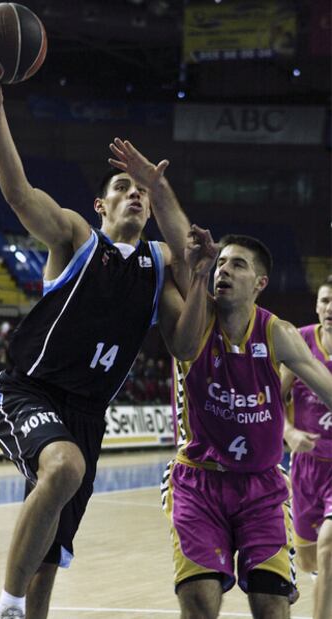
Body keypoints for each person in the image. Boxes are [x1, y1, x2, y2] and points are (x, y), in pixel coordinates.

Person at [0, 40, 191, 619]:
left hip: (88, 415)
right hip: (28, 391)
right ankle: (5, 608)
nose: (133, 194)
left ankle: (26, 606)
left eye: (140, 191)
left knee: (50, 561)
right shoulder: (76, 239)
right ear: (99, 205)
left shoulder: (158, 264)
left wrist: (160, 188)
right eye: (122, 188)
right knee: (62, 467)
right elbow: (17, 193)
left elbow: (186, 318)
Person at [159, 226, 332, 619]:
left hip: (261, 488)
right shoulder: (196, 322)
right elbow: (178, 240)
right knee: (200, 602)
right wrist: (156, 189)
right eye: (221, 263)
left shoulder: (279, 334)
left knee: (272, 608)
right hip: (198, 481)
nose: (224, 271)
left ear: (260, 283)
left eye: (237, 265)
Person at [281, 281, 332, 619]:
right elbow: (270, 403)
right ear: (316, 307)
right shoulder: (298, 342)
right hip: (305, 469)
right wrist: (288, 433)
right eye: (326, 301)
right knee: (311, 560)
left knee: (329, 549)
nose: (331, 308)